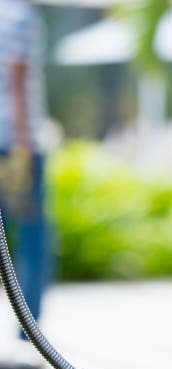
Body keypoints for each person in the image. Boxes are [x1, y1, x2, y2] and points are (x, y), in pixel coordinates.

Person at [0, 0, 49, 339]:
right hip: (15, 143)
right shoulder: (20, 14)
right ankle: (27, 331)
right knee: (32, 236)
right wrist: (22, 146)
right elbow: (16, 74)